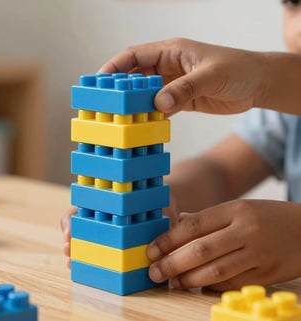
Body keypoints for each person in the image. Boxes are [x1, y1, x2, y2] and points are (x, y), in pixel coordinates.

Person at [61, 0, 301, 292]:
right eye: (293, 3)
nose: (299, 28)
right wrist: (149, 195)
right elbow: (220, 171)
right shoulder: (288, 113)